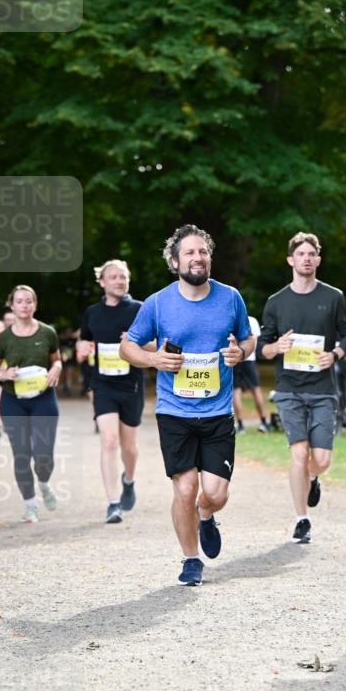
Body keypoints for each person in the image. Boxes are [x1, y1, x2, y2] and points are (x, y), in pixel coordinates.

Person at [120, 224, 254, 585]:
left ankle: (206, 516)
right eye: (190, 253)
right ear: (175, 260)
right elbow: (128, 346)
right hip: (174, 410)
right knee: (184, 487)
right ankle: (190, 558)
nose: (198, 258)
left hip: (217, 411)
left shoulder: (230, 298)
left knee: (214, 493)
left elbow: (248, 339)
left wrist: (240, 352)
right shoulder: (158, 303)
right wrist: (153, 361)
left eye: (203, 252)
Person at [257, 231, 346, 544]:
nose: (307, 259)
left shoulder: (333, 297)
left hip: (323, 388)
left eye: (312, 254)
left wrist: (335, 354)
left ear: (318, 260)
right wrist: (277, 346)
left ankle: (313, 478)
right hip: (288, 388)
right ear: (291, 260)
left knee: (321, 460)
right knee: (298, 452)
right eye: (301, 254)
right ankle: (301, 519)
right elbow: (262, 348)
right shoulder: (276, 302)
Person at [0, 285, 62, 523]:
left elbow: (57, 360)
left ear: (35, 304)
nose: (24, 305)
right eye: (19, 301)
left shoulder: (47, 332)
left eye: (29, 301)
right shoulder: (4, 338)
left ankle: (44, 483)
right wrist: (3, 375)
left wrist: (56, 369)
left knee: (44, 456)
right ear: (12, 305)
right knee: (21, 454)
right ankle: (30, 506)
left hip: (43, 399)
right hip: (13, 401)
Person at [77, 260, 145, 523]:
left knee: (129, 446)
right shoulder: (92, 312)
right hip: (103, 384)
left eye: (123, 277)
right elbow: (84, 340)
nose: (119, 281)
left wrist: (135, 342)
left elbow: (155, 345)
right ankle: (113, 503)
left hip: (131, 384)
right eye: (114, 277)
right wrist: (82, 349)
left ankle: (128, 479)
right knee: (108, 440)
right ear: (102, 282)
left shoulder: (139, 309)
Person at [232, 315, 269, 433]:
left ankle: (241, 425)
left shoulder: (232, 318)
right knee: (256, 390)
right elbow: (255, 341)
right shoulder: (253, 320)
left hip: (236, 358)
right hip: (249, 359)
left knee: (235, 391)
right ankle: (263, 422)